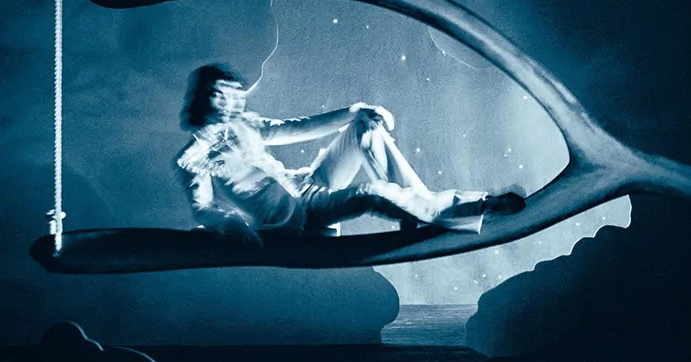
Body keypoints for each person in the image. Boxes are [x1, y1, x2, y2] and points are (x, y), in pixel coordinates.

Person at [176, 64, 524, 242]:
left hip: (308, 184)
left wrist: (354, 111)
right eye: (221, 94)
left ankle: (419, 206)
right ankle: (477, 207)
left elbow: (298, 127)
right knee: (372, 194)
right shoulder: (192, 158)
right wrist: (230, 224)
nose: (232, 102)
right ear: (203, 97)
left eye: (235, 94)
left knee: (363, 127)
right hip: (297, 215)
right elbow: (202, 208)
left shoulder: (245, 124)